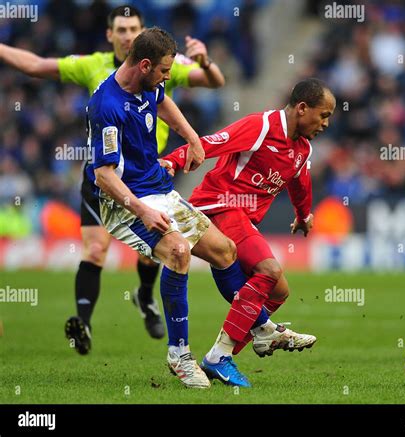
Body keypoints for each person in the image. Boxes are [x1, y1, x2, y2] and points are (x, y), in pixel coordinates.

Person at [0, 5, 226, 353]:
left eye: (133, 27)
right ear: (110, 35)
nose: (127, 34)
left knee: (161, 252)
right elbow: (34, 65)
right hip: (106, 179)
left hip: (150, 177)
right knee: (96, 249)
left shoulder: (160, 67)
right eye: (120, 29)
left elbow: (211, 83)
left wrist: (205, 64)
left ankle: (145, 296)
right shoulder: (94, 69)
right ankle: (84, 325)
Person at [161, 78, 335, 383]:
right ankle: (248, 341)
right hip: (219, 206)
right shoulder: (262, 126)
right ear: (303, 108)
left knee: (280, 291)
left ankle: (220, 353)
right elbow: (214, 142)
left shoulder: (302, 149)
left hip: (242, 220)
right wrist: (173, 161)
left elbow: (299, 183)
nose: (326, 123)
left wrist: (303, 215)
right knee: (268, 270)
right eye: (324, 115)